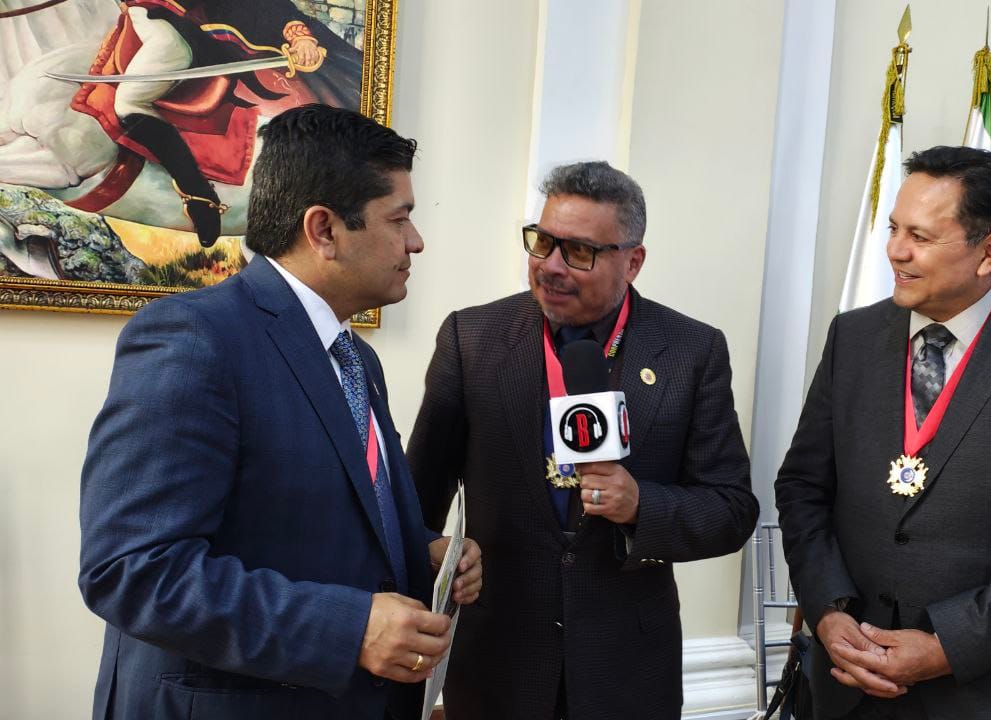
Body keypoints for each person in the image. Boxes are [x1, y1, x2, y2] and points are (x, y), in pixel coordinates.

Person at [79, 104, 481, 720]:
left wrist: (422, 552)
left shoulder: (355, 359)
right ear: (323, 230)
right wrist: (349, 630)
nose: (415, 242)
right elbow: (132, 569)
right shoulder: (195, 339)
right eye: (399, 219)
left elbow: (319, 514)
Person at [774, 145, 991, 720]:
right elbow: (803, 488)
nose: (895, 251)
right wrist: (828, 612)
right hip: (846, 687)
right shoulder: (853, 338)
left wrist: (944, 646)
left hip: (984, 695)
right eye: (893, 229)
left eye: (921, 236)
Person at [406, 160, 759, 719]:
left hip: (629, 667)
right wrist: (436, 559)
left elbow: (732, 509)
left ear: (633, 261)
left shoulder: (691, 351)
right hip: (499, 659)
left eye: (579, 252)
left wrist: (643, 505)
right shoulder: (470, 339)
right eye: (542, 242)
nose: (551, 267)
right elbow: (416, 502)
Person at [70, 0, 364, 246]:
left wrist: (299, 35)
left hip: (177, 26)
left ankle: (199, 193)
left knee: (129, 101)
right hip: (137, 19)